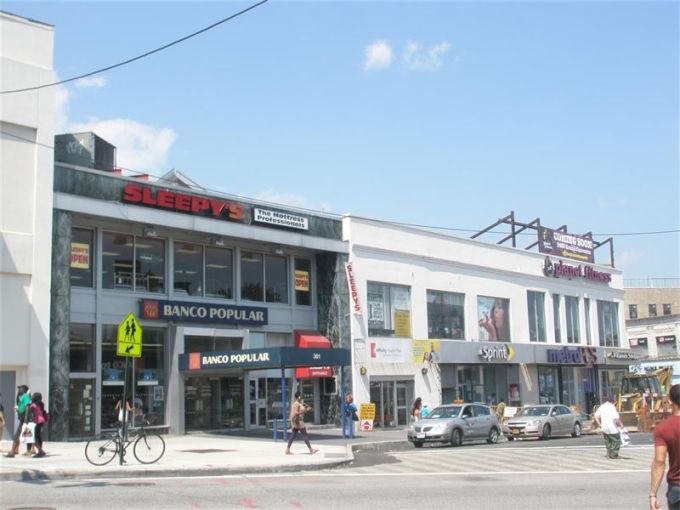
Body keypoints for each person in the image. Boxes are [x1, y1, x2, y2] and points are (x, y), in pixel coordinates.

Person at [650, 384, 680, 510]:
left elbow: (659, 462)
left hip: (677, 488)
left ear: (670, 400)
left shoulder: (663, 428)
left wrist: (653, 494)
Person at [5, 385, 31, 458]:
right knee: (27, 435)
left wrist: (26, 417)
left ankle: (12, 452)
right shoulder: (21, 397)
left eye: (20, 388)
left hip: (25, 418)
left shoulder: (25, 396)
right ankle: (26, 451)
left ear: (24, 390)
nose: (19, 389)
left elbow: (27, 406)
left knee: (18, 435)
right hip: (22, 418)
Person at [28, 392, 47, 458]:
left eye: (33, 396)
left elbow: (31, 415)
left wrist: (29, 422)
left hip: (36, 422)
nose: (32, 396)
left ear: (34, 397)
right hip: (41, 421)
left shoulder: (33, 405)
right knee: (38, 436)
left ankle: (41, 451)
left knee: (34, 437)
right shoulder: (39, 404)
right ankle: (40, 450)